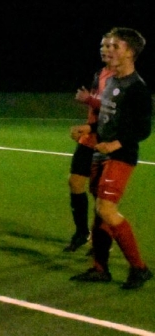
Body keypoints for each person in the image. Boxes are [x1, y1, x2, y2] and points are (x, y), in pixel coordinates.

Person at [69, 27, 152, 290]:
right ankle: (100, 268)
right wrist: (89, 128)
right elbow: (108, 120)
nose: (108, 50)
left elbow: (143, 129)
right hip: (100, 152)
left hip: (121, 155)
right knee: (100, 210)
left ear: (130, 53)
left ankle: (139, 268)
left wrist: (116, 143)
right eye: (107, 46)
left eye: (115, 46)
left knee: (106, 208)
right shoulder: (112, 81)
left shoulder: (137, 88)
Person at [63, 34, 116, 252]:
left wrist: (89, 100)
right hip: (90, 138)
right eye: (102, 45)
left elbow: (114, 110)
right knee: (75, 182)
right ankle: (82, 232)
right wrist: (87, 125)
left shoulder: (121, 78)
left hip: (107, 141)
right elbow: (98, 107)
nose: (104, 49)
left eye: (110, 46)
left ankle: (101, 238)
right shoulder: (99, 73)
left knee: (99, 194)